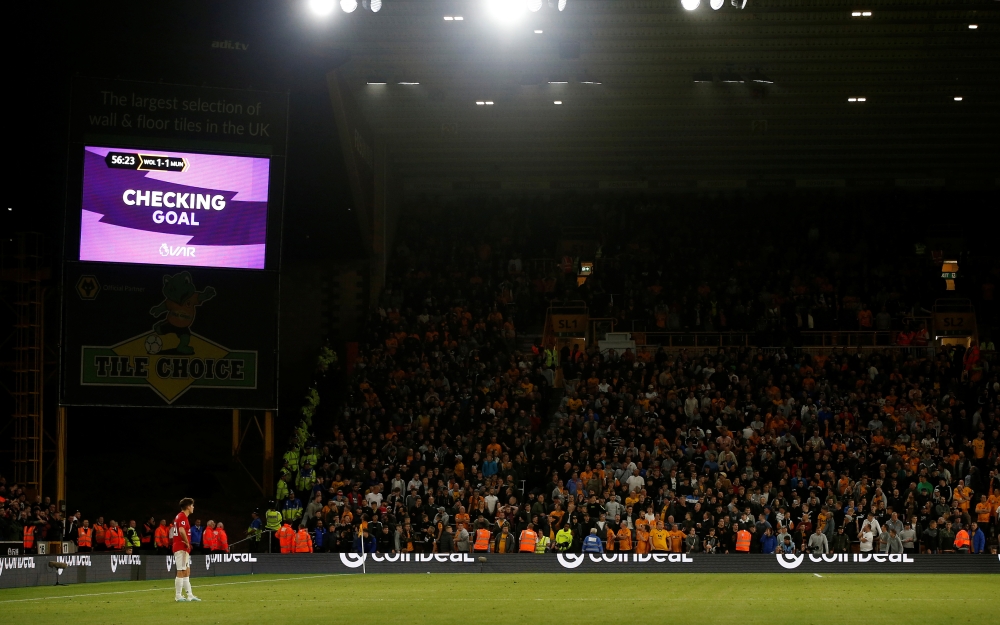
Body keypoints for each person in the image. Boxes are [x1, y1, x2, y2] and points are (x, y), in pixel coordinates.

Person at [172, 497, 200, 602]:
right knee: (181, 571)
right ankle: (178, 595)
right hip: (181, 547)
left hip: (183, 547)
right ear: (188, 507)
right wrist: (187, 542)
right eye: (192, 505)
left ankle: (190, 595)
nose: (193, 507)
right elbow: (181, 530)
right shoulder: (182, 516)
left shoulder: (181, 516)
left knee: (186, 571)